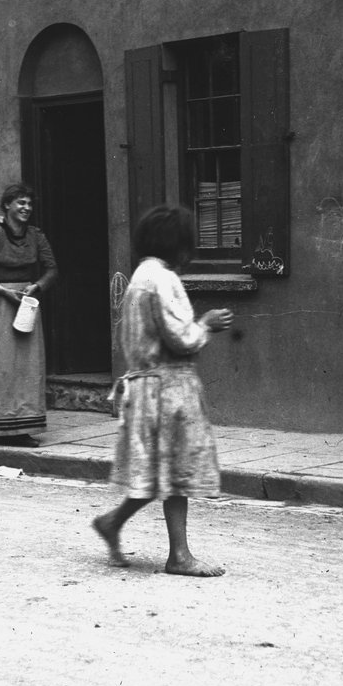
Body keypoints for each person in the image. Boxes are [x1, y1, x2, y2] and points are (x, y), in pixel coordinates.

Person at [92, 204, 234, 578]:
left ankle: (113, 523)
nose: (191, 255)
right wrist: (205, 324)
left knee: (156, 475)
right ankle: (179, 556)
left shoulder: (140, 276)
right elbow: (182, 338)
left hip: (146, 387)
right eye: (188, 246)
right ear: (177, 245)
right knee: (174, 472)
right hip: (167, 388)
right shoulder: (163, 279)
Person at [0, 182, 57, 446]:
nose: (26, 208)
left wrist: (37, 286)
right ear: (7, 205)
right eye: (21, 203)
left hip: (26, 304)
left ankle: (21, 425)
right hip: (0, 304)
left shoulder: (36, 236)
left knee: (26, 366)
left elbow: (52, 270)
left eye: (29, 204)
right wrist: (2, 291)